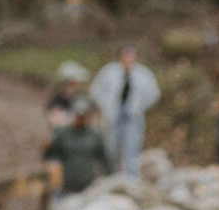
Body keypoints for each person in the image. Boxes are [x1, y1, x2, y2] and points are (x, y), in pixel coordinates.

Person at [93, 43, 161, 178]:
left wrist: (140, 105)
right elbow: (95, 90)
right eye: (126, 56)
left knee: (132, 147)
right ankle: (111, 175)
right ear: (121, 57)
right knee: (111, 147)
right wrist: (105, 105)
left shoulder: (143, 73)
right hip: (113, 114)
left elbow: (154, 93)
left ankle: (131, 177)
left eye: (131, 56)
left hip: (132, 115)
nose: (128, 59)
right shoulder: (109, 71)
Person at [43, 94, 109, 194]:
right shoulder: (62, 134)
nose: (80, 119)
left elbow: (105, 159)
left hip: (88, 188)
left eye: (83, 117)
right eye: (78, 116)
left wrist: (107, 180)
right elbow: (51, 155)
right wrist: (48, 152)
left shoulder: (95, 136)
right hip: (65, 187)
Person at [44, 60, 91, 131]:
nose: (73, 87)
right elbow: (55, 121)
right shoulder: (57, 101)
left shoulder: (80, 99)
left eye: (75, 84)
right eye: (71, 84)